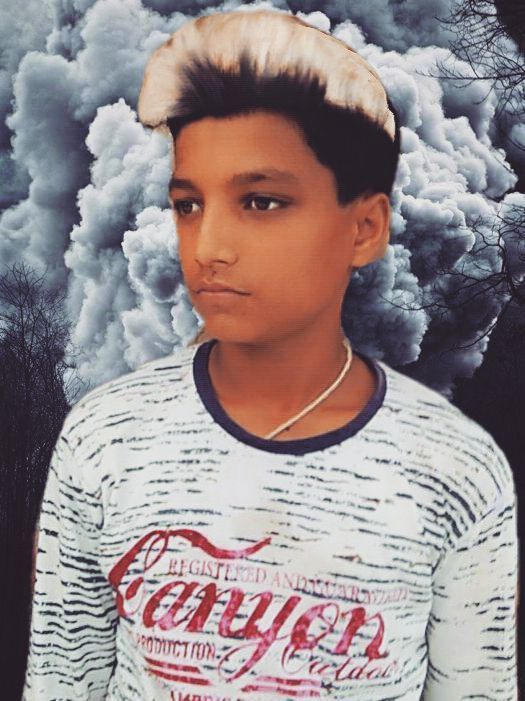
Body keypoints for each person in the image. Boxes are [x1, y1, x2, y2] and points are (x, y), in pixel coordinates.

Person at [23, 8, 518, 701]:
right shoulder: (101, 438)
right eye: (188, 205)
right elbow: (60, 680)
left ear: (365, 227)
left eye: (260, 202)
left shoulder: (460, 472)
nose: (208, 248)